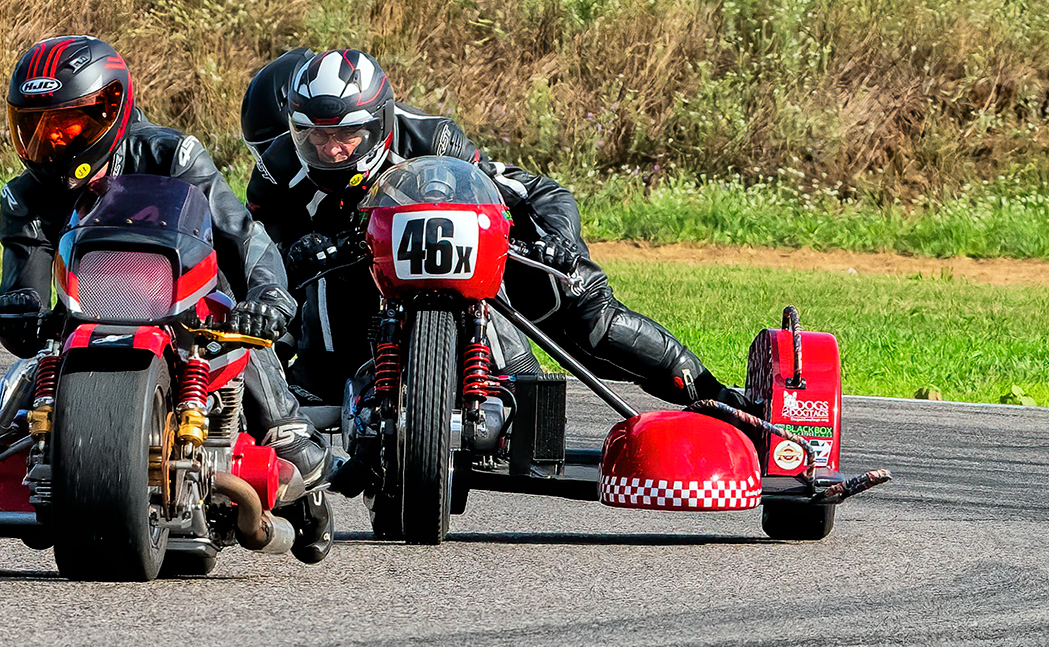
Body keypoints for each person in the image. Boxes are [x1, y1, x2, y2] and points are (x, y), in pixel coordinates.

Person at [243, 48, 760, 417]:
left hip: (459, 268)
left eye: (346, 135)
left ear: (377, 124)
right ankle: (294, 407)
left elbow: (537, 192)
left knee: (585, 309)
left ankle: (718, 398)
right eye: (315, 137)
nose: (331, 150)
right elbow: (250, 250)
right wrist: (294, 253)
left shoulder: (432, 138)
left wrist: (559, 245)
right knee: (264, 310)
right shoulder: (276, 168)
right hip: (356, 278)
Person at [0, 35, 333, 560]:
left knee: (268, 398)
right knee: (9, 412)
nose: (48, 143)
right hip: (81, 326)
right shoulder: (26, 197)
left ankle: (290, 446)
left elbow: (241, 234)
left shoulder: (173, 155)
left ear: (108, 110)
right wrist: (18, 314)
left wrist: (269, 294)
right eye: (33, 128)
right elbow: (26, 289)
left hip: (185, 318)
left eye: (64, 125)